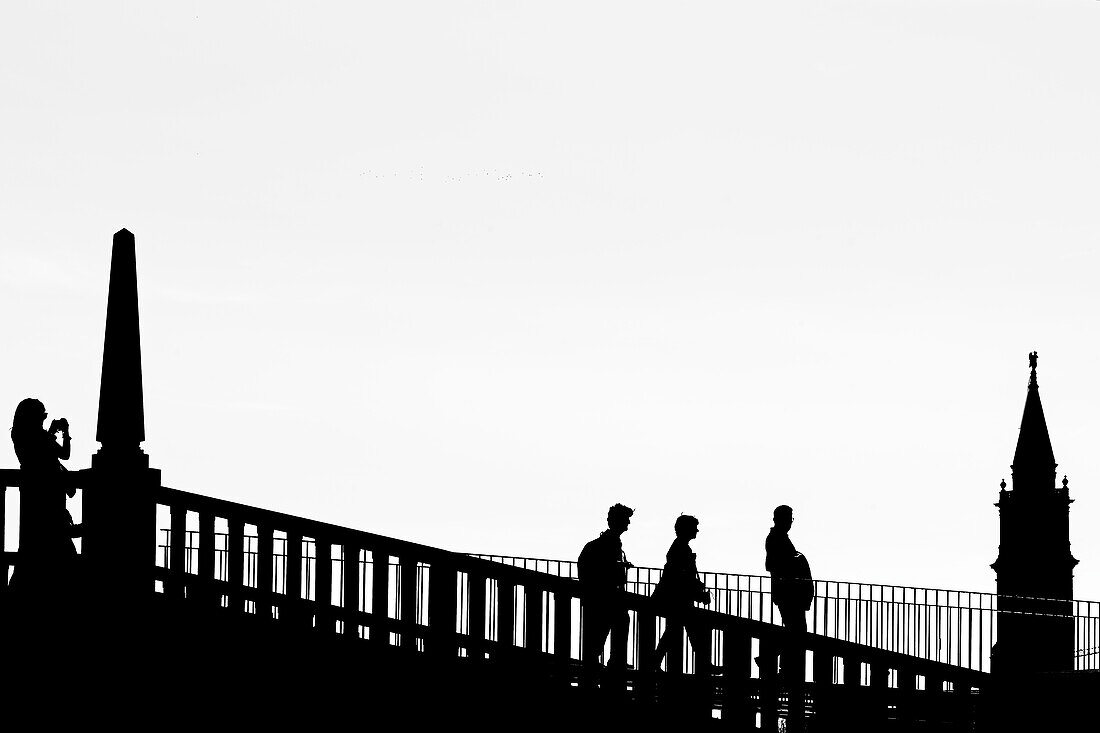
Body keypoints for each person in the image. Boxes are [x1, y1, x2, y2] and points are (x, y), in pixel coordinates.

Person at [9, 398, 78, 599]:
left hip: (32, 497)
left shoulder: (20, 435)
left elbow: (40, 455)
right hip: (48, 499)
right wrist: (64, 433)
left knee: (32, 549)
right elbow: (62, 454)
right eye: (42, 416)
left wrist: (52, 432)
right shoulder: (38, 436)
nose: (43, 420)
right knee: (57, 548)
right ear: (35, 418)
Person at [647, 514, 711, 671]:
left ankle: (655, 661)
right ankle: (704, 664)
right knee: (689, 630)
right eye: (694, 527)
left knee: (676, 630)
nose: (697, 530)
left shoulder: (679, 547)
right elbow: (680, 576)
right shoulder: (681, 548)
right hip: (677, 598)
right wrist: (698, 591)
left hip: (676, 597)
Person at [578, 503, 634, 680]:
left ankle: (607, 663)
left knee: (603, 631)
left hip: (603, 597)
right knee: (604, 630)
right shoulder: (609, 546)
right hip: (605, 597)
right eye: (626, 520)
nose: (628, 524)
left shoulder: (602, 545)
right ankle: (608, 664)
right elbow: (604, 571)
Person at [765, 505, 812, 633]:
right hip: (788, 593)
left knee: (796, 630)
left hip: (788, 593)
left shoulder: (779, 537)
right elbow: (771, 564)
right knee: (797, 630)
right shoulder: (776, 538)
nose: (790, 522)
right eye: (788, 519)